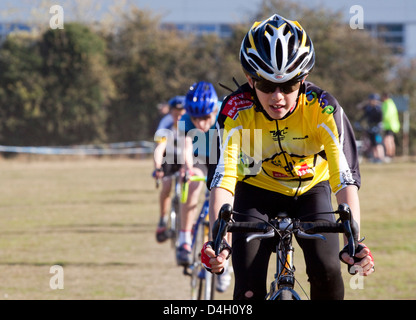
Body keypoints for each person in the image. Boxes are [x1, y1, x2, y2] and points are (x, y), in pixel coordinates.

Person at [201, 14, 375, 300]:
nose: (277, 97)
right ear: (249, 79)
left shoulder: (323, 108)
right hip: (256, 191)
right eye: (266, 86)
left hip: (310, 190)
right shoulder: (235, 110)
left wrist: (353, 242)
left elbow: (344, 180)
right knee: (247, 287)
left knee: (328, 269)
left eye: (290, 85)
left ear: (304, 79)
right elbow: (223, 179)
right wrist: (219, 242)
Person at [177, 81, 232, 292]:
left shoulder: (226, 112)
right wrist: (187, 169)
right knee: (192, 182)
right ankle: (184, 238)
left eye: (205, 118)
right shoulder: (185, 119)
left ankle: (226, 260)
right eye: (195, 119)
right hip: (201, 158)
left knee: (229, 207)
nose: (200, 124)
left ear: (214, 111)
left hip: (223, 159)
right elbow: (186, 148)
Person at [153, 96, 186, 242]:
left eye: (182, 112)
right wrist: (158, 168)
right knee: (166, 186)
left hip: (186, 157)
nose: (178, 116)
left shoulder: (191, 123)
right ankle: (162, 218)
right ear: (170, 112)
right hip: (169, 157)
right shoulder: (165, 124)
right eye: (175, 112)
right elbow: (160, 149)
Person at [361, 93, 385, 163]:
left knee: (378, 143)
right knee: (373, 143)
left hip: (377, 128)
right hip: (371, 127)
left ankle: (380, 157)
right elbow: (360, 108)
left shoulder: (379, 108)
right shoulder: (369, 108)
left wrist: (377, 126)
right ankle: (375, 157)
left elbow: (381, 119)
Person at [381, 92, 400, 160]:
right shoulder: (391, 103)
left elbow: (387, 115)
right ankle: (391, 155)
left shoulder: (387, 104)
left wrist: (381, 120)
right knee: (391, 140)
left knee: (387, 140)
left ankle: (389, 155)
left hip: (389, 125)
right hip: (391, 125)